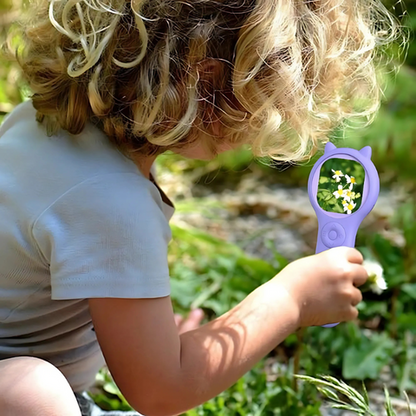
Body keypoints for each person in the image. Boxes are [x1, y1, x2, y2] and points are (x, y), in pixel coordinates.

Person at [0, 0, 400, 415]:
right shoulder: (112, 200)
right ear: (203, 86)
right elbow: (162, 390)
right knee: (33, 394)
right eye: (263, 103)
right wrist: (290, 297)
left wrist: (150, 340)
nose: (258, 128)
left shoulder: (38, 123)